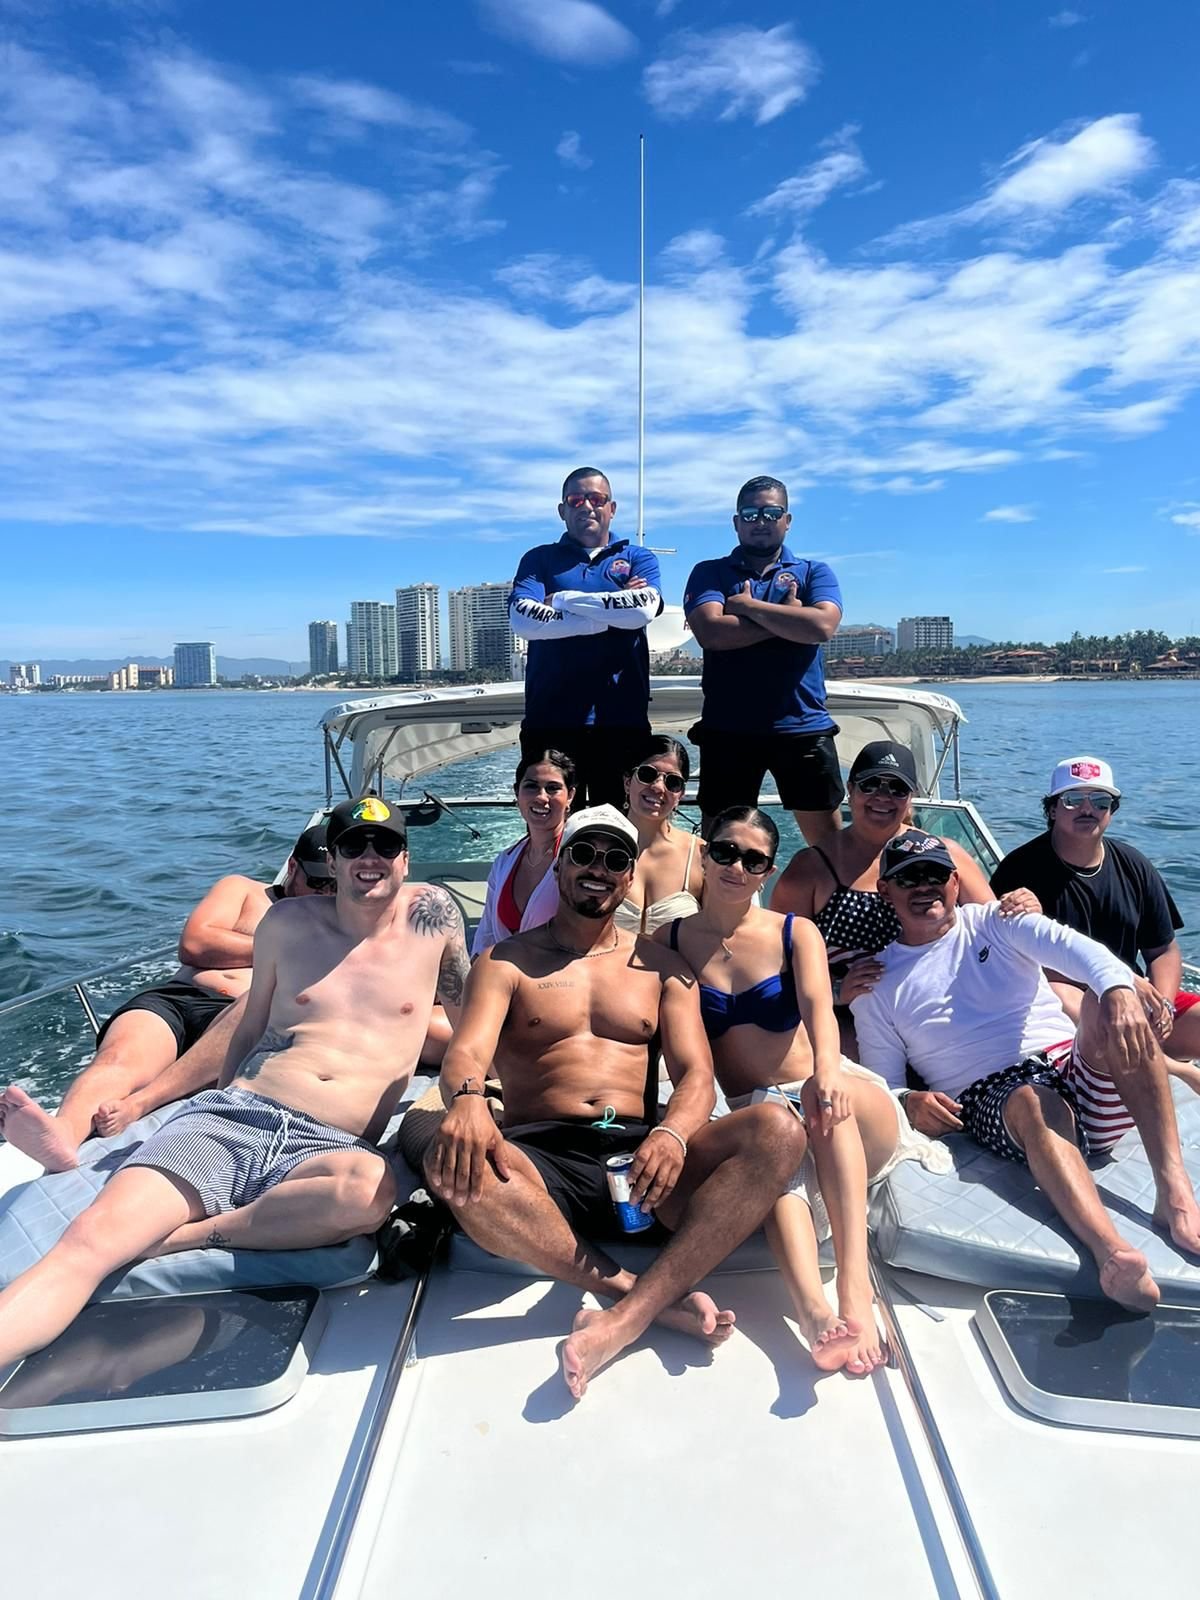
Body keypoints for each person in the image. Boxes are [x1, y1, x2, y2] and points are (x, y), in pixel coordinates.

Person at [0, 793, 471, 1371]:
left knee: (370, 1193)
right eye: (354, 845)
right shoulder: (287, 923)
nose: (370, 857)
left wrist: (481, 1097)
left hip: (332, 1144)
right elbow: (248, 1026)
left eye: (386, 845)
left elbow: (469, 1023)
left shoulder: (434, 917)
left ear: (406, 858)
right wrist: (215, 1102)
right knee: (87, 1245)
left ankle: (190, 1235)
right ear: (333, 859)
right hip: (240, 1113)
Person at [423, 803, 808, 1401]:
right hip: (540, 1161)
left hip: (638, 1160)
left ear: (630, 878)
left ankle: (624, 1319)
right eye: (583, 854)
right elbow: (466, 1054)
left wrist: (672, 1135)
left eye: (614, 859)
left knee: (778, 1131)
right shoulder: (505, 962)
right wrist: (469, 1101)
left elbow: (696, 1076)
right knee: (450, 1160)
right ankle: (634, 1295)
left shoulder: (662, 967)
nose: (597, 868)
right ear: (559, 866)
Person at [851, 829, 1200, 1312]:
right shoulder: (877, 983)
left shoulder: (999, 921)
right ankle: (1111, 1252)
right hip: (991, 1094)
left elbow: (1081, 952)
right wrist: (909, 1101)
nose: (924, 886)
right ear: (885, 890)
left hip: (1071, 1068)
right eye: (908, 878)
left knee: (1109, 995)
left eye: (934, 874)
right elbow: (884, 1084)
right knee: (1032, 1098)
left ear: (955, 882)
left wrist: (1119, 991)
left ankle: (1173, 1193)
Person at [657, 806, 950, 1377]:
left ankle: (854, 1290)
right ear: (704, 856)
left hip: (835, 1094)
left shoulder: (794, 932)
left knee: (813, 1107)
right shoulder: (670, 940)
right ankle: (815, 1314)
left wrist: (828, 1070)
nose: (736, 867)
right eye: (726, 852)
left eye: (753, 860)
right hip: (761, 1115)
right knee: (774, 1148)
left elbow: (820, 1010)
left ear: (767, 872)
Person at [0, 822, 336, 1172]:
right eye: (317, 882)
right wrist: (283, 948)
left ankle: (143, 1102)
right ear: (292, 867)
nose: (326, 892)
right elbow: (195, 944)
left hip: (240, 1014)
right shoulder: (244, 891)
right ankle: (64, 1133)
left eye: (334, 884)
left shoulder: (337, 923)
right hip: (179, 997)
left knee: (253, 1005)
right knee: (117, 1057)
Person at [770, 741, 1037, 1050]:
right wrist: (836, 991)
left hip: (946, 1007)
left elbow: (994, 931)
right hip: (848, 1019)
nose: (883, 796)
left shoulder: (947, 856)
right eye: (871, 784)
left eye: (897, 788)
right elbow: (776, 963)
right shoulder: (810, 869)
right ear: (850, 789)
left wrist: (1022, 905)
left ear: (911, 798)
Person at [990, 756, 1200, 1069]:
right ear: (1052, 809)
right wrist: (1115, 990)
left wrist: (1163, 1007)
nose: (1087, 809)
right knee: (1063, 994)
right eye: (1073, 800)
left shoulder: (1134, 865)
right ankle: (1171, 1069)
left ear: (1111, 811)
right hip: (1065, 1003)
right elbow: (1007, 960)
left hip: (1136, 995)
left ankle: (1152, 1050)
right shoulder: (1019, 871)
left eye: (1101, 801)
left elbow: (1163, 950)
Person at [683, 476, 843, 844]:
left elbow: (821, 626)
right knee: (721, 846)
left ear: (787, 520)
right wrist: (789, 619)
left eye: (771, 513)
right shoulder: (710, 572)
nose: (760, 521)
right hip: (728, 730)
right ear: (736, 522)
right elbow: (712, 633)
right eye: (750, 514)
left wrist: (747, 607)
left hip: (803, 726)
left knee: (830, 850)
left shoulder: (814, 571)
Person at [509, 467, 662, 809]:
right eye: (576, 499)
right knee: (553, 826)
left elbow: (642, 610)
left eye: (596, 498)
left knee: (620, 827)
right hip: (550, 723)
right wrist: (612, 613)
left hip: (622, 721)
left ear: (612, 508)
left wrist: (562, 600)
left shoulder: (638, 557)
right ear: (562, 510)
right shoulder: (539, 559)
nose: (587, 506)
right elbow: (523, 620)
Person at [471, 750, 574, 957]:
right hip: (502, 973)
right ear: (517, 793)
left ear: (570, 796)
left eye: (552, 788)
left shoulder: (579, 860)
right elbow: (487, 934)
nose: (541, 797)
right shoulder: (504, 861)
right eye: (531, 786)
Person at [613, 736, 704, 935]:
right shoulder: (594, 846)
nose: (658, 787)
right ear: (627, 782)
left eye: (673, 782)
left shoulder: (700, 855)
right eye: (647, 774)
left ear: (680, 794)